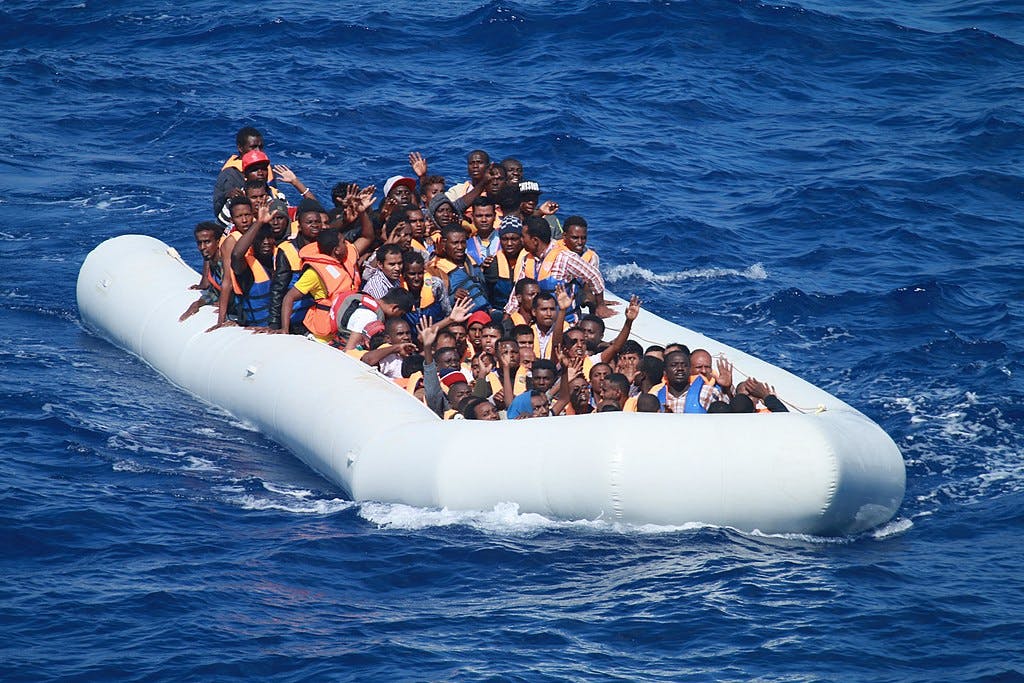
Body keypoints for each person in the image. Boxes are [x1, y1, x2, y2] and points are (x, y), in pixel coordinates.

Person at [509, 216, 614, 321]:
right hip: (538, 321)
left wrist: (600, 305)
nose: (521, 240)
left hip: (565, 321)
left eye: (523, 237)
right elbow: (517, 291)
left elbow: (594, 276)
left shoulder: (565, 257)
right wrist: (509, 313)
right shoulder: (527, 259)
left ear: (535, 240)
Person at [279, 228, 361, 343]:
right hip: (323, 338)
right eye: (343, 242)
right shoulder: (314, 273)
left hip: (345, 329)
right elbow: (289, 297)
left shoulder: (344, 263)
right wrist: (285, 329)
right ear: (336, 250)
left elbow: (368, 237)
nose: (347, 244)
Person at [426, 223, 490, 313]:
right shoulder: (435, 269)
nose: (460, 247)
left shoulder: (471, 262)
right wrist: (453, 297)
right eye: (455, 243)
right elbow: (432, 305)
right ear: (444, 243)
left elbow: (484, 290)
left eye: (463, 242)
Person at [213, 126, 270, 219]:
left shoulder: (264, 168)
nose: (258, 151)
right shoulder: (231, 175)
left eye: (260, 147)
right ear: (240, 148)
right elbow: (219, 208)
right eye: (253, 147)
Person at [180, 222, 225, 321]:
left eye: (207, 242)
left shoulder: (226, 262)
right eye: (199, 243)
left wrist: (228, 309)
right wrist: (198, 303)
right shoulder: (213, 262)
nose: (202, 247)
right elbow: (214, 292)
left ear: (218, 242)